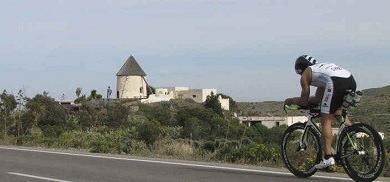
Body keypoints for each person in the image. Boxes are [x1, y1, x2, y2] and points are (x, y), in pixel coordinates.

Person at [284, 55, 357, 169]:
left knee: (326, 120)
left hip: (336, 82)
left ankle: (328, 157)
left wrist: (290, 100)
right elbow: (317, 98)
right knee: (337, 112)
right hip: (350, 80)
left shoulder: (306, 74)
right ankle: (353, 134)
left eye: (299, 73)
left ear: (300, 69)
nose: (300, 76)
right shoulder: (322, 71)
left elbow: (303, 101)